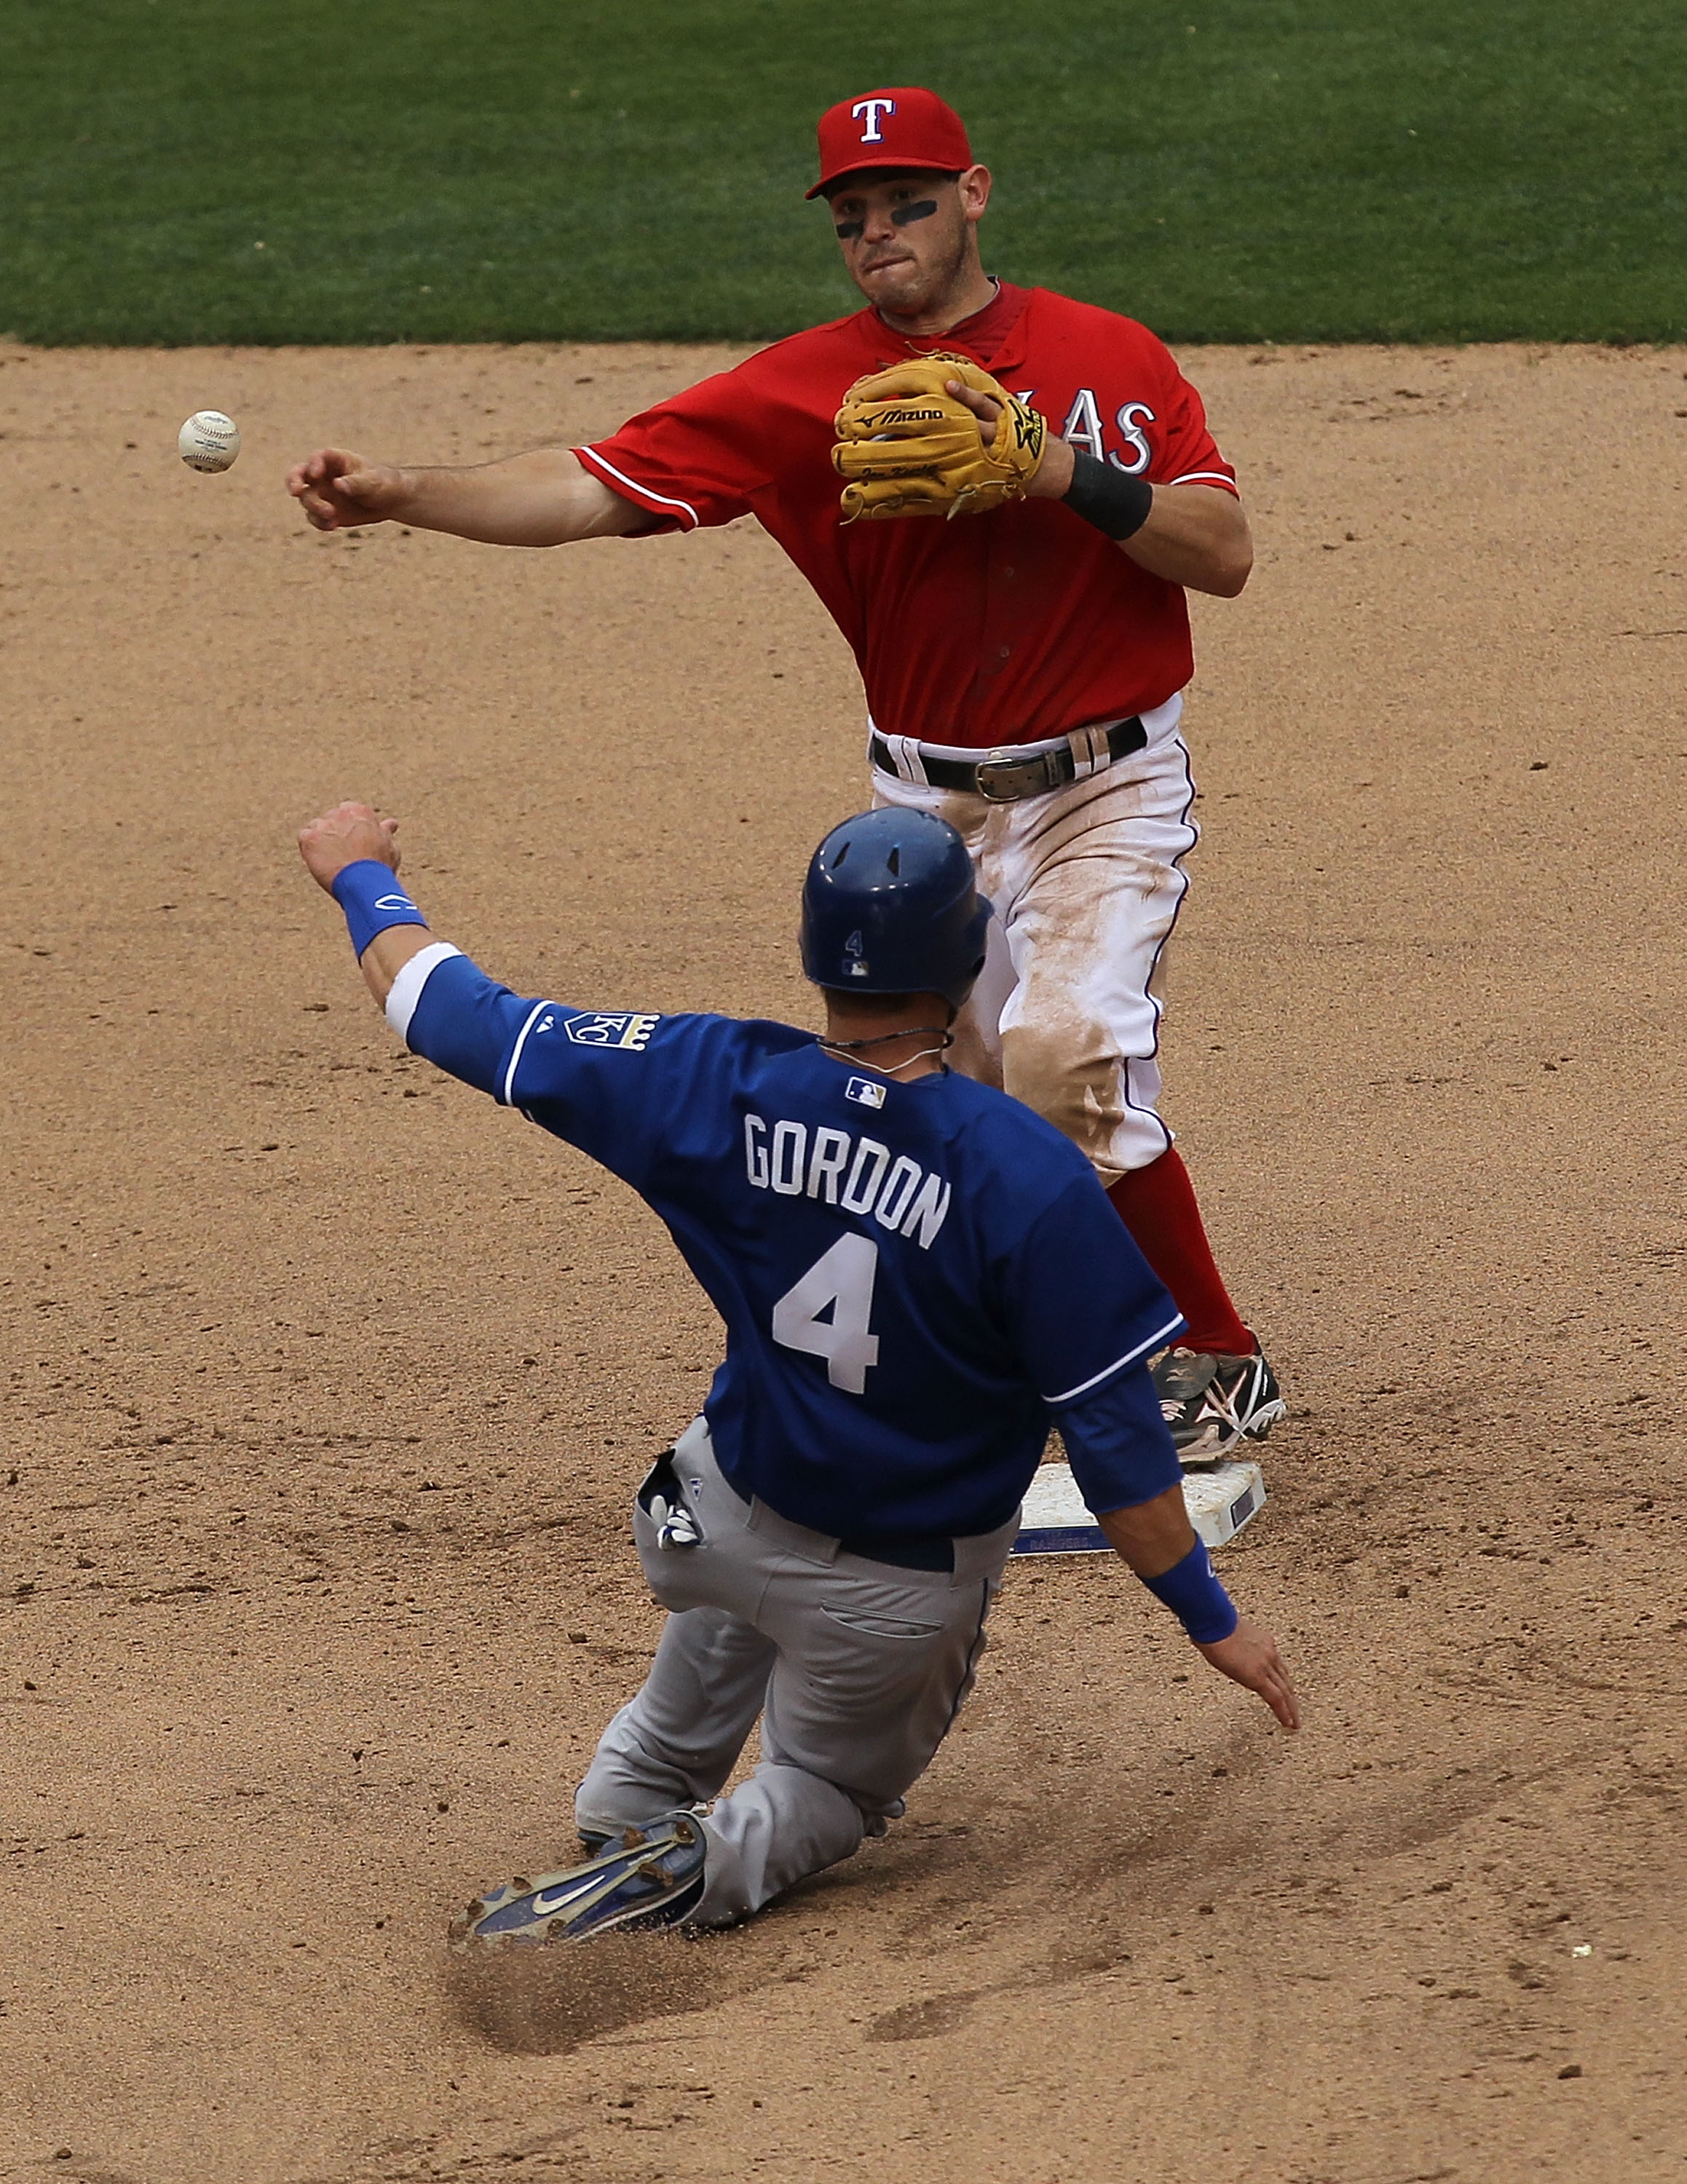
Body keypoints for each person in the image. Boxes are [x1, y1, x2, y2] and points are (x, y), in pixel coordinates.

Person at [286, 84, 1281, 1462]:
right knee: (945, 1098)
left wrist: (1057, 472)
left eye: (909, 202)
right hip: (921, 809)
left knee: (1064, 1054)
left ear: (974, 193)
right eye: (853, 215)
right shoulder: (803, 385)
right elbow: (589, 487)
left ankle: (1209, 1359)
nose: (879, 233)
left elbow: (1220, 554)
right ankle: (1007, 1349)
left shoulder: (1104, 357)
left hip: (1100, 782)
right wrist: (404, 493)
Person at [296, 795, 1299, 1940]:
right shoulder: (1022, 1173)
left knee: (723, 1626)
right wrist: (1210, 1620)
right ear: (966, 957)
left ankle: (629, 1808)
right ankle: (682, 1871)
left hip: (704, 1519)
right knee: (827, 1790)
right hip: (889, 1594)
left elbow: (455, 1015)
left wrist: (361, 878)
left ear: (816, 952)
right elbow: (1121, 1458)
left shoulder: (707, 1075)